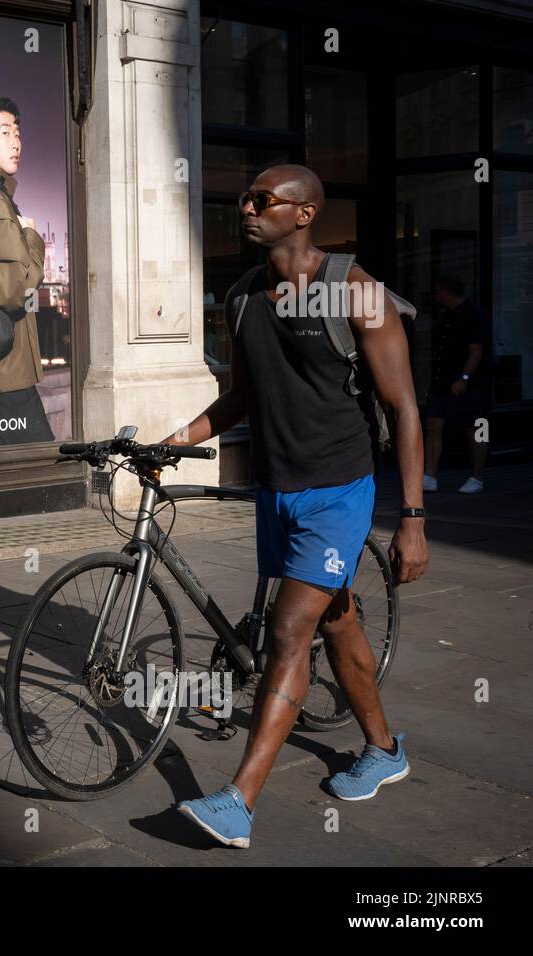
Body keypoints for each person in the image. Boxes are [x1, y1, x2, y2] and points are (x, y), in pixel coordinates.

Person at [162, 165, 428, 848]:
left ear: (305, 214)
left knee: (288, 633)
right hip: (276, 492)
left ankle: (238, 802)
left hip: (339, 490)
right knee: (336, 622)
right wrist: (177, 439)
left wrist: (412, 520)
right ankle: (383, 749)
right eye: (243, 199)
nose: (245, 208)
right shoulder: (245, 296)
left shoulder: (356, 292)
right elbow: (240, 398)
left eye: (261, 200)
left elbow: (403, 408)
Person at [0, 97, 54, 447]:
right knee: (47, 469)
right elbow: (15, 290)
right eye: (5, 132)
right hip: (6, 372)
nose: (16, 142)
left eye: (18, 133)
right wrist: (32, 236)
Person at [424, 274, 489, 494]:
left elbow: (476, 351)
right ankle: (430, 476)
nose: (435, 296)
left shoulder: (474, 315)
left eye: (437, 291)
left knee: (477, 428)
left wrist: (464, 378)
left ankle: (478, 476)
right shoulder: (446, 317)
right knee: (433, 424)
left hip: (469, 384)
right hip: (442, 381)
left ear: (446, 291)